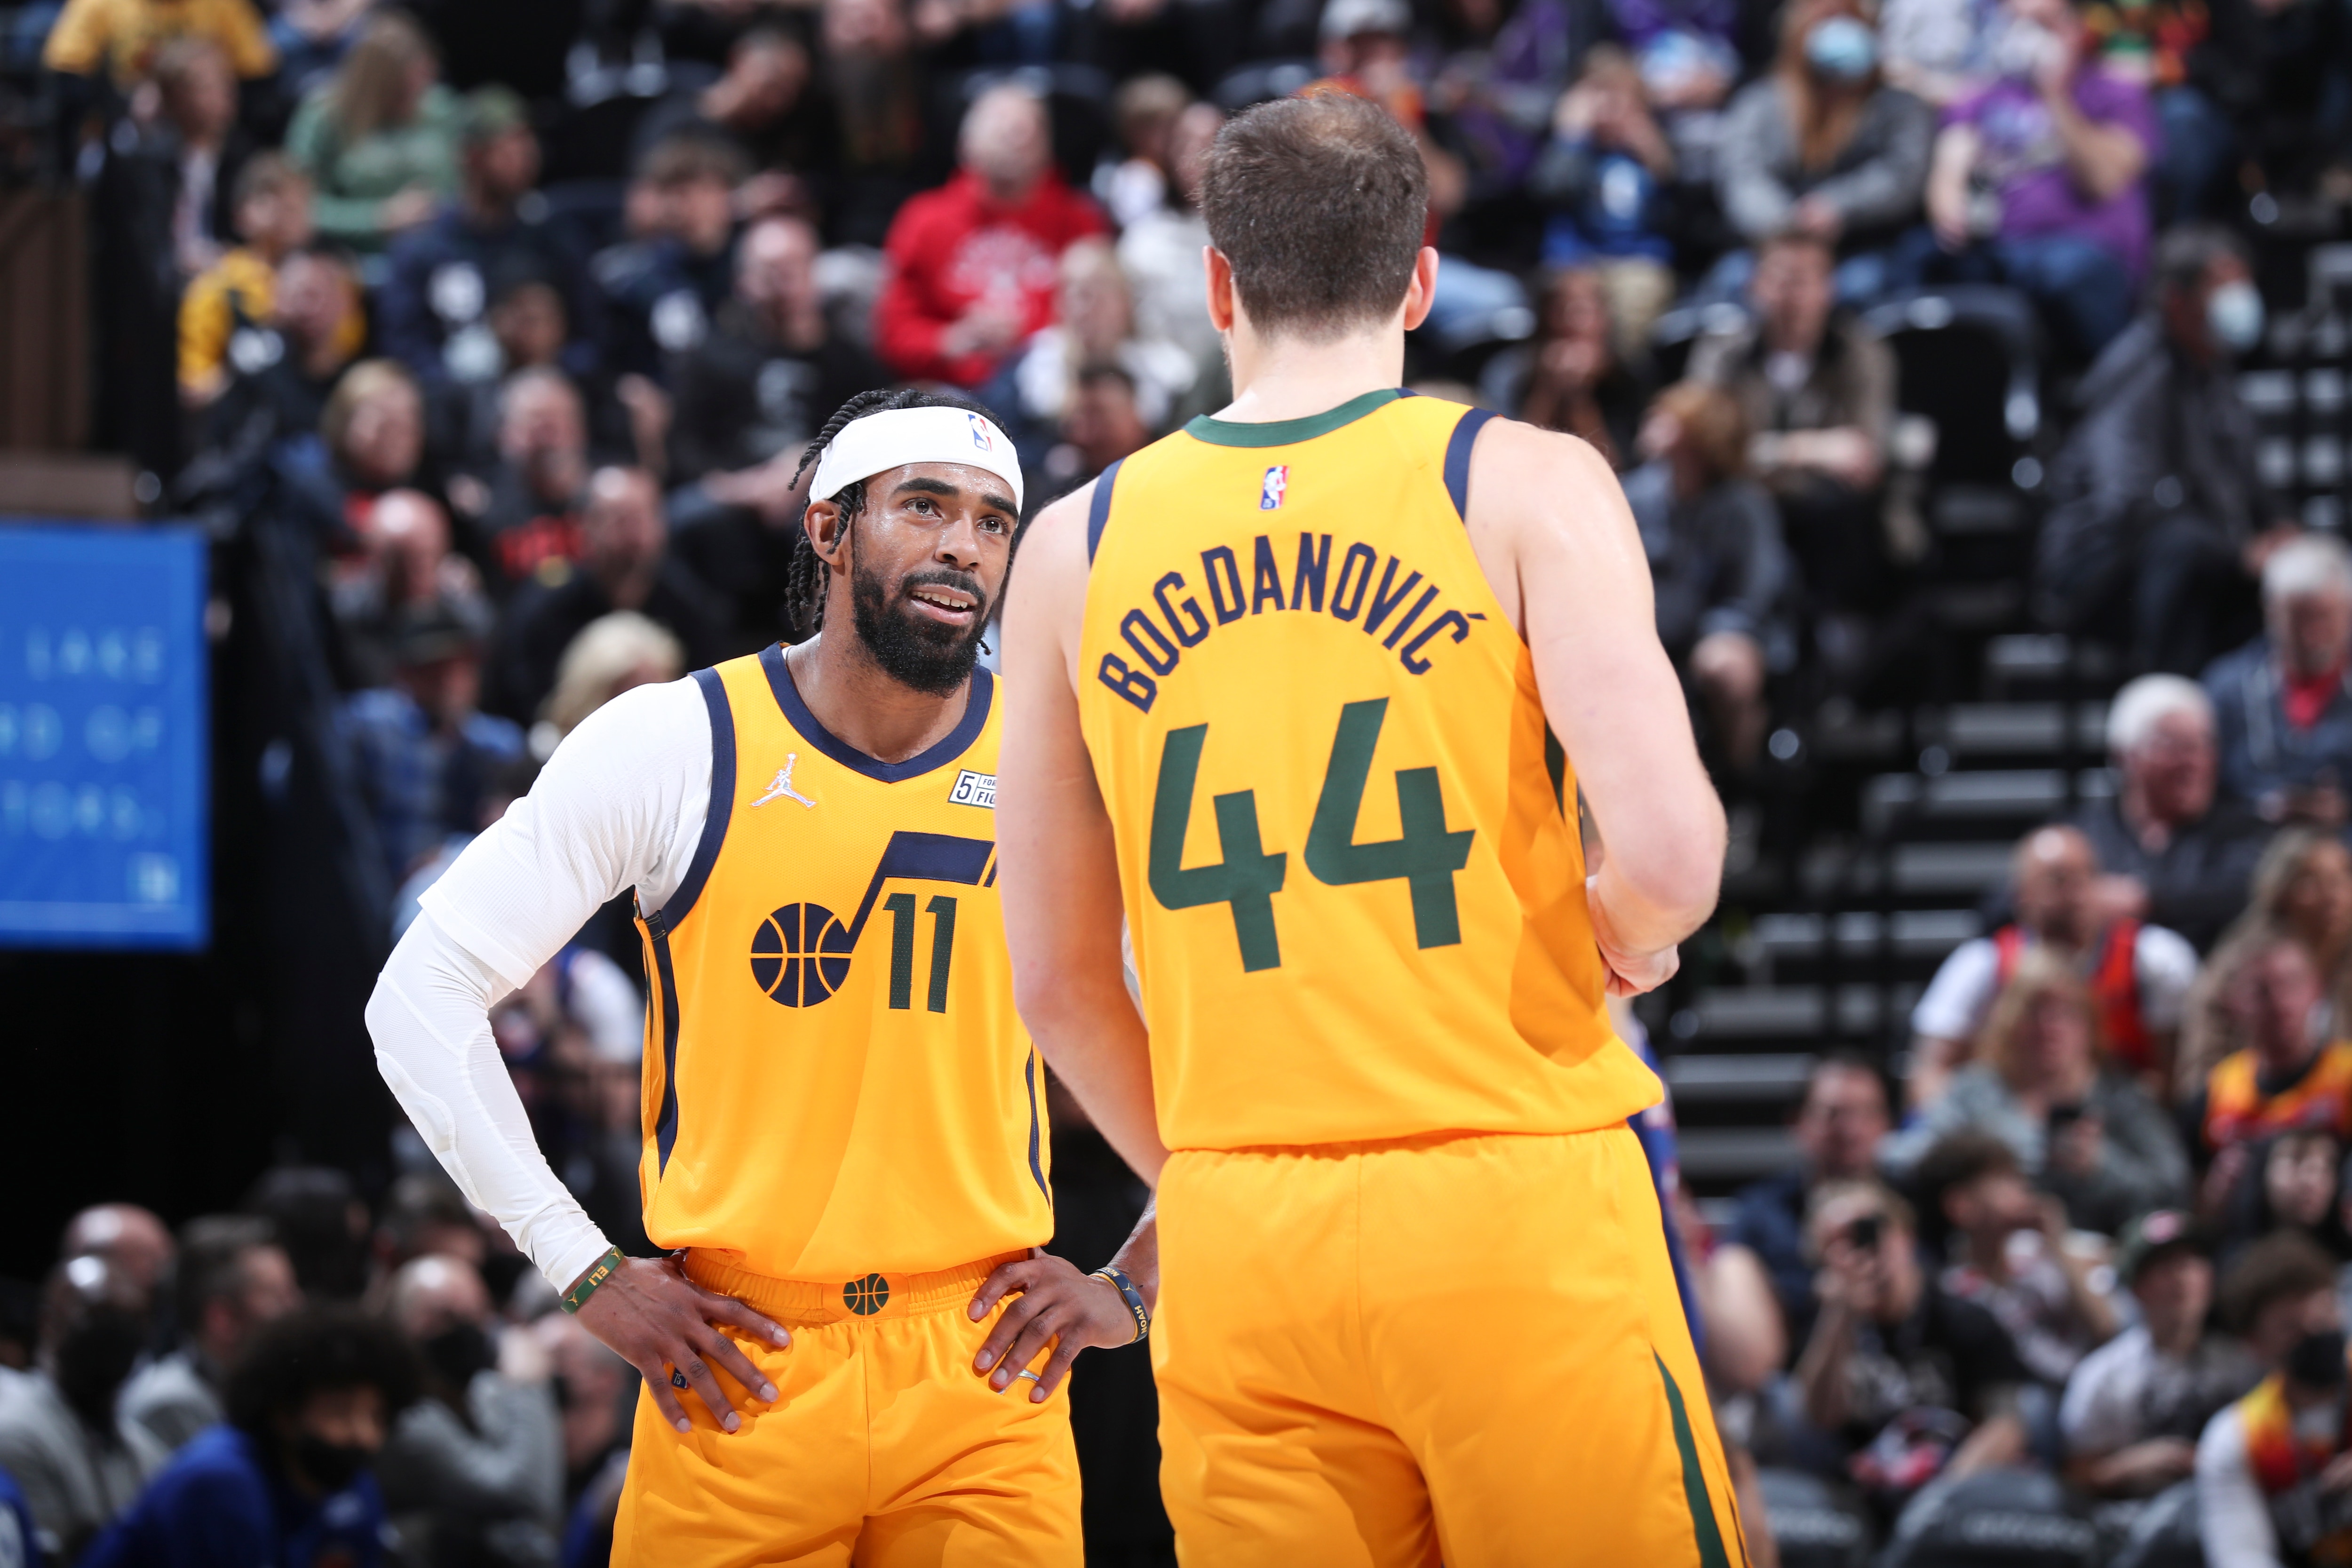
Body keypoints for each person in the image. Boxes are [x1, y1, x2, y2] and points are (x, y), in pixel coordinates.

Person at [997, 91, 1744, 1560]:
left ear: (1217, 281)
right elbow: (1670, 858)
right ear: (1416, 276)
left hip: (1238, 1234)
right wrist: (1610, 931)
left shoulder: (1071, 547)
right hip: (1504, 1195)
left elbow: (1055, 987)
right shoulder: (1521, 480)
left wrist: (1209, 1174)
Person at [366, 385, 1160, 1561]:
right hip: (741, 1368)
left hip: (984, 1373)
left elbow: (1241, 1022)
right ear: (829, 529)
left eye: (994, 521)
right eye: (925, 506)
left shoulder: (1072, 756)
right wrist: (587, 1273)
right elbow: (415, 998)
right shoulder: (673, 742)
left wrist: (1140, 1278)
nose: (962, 544)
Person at [2038, 226, 2292, 675]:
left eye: (2243, 283)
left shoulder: (2215, 374)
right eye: (2222, 286)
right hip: (2099, 570)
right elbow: (2128, 501)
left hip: (2199, 556)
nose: (2240, 298)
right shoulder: (2135, 372)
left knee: (2297, 568)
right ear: (2177, 300)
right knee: (2185, 546)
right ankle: (2170, 691)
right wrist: (2236, 552)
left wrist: (2280, 533)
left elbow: (2251, 487)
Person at [1689, 229, 1908, 647]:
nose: (1791, 294)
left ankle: (1832, 650)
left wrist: (1759, 452)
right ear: (1754, 285)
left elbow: (1866, 455)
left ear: (1829, 288)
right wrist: (1808, 449)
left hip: (1835, 520)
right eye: (1779, 278)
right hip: (1745, 507)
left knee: (1834, 510)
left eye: (1804, 279)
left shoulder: (1863, 353)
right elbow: (1705, 441)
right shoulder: (1722, 352)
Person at [1911, 0, 2158, 360]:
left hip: (2084, 258)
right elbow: (1948, 167)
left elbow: (2102, 179)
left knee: (2066, 270)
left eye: (2041, 26)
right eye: (2018, 25)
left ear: (2074, 27)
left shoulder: (2114, 92)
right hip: (1997, 254)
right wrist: (1949, 203)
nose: (2027, 38)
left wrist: (2054, 95)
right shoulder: (1986, 96)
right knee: (1910, 260)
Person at [79, 1307, 420, 1568]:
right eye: (340, 1413)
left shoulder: (356, 1489)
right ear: (285, 1413)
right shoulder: (220, 1485)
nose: (364, 1434)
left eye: (377, 1416)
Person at [1884, 946, 2191, 1233]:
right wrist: (1978, 1179)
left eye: (2064, 1013)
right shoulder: (1976, 1091)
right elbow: (1905, 1158)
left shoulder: (2121, 1097)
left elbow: (2172, 1189)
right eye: (2035, 1011)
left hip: (2104, 1255)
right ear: (2009, 1022)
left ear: (2089, 1025)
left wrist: (2103, 1166)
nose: (2049, 1027)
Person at [1908, 824, 2199, 1105]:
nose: (2075, 893)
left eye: (2085, 876)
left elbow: (2177, 1078)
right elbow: (1928, 1075)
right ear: (2021, 895)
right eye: (2058, 880)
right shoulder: (1982, 964)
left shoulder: (2156, 960)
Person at [1784, 1180, 2031, 1507]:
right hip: (1863, 1496)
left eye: (1869, 1230)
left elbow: (2006, 1425)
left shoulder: (1965, 1316)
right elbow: (1819, 1419)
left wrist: (1944, 1494)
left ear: (1905, 1235)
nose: (1862, 1250)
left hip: (1955, 1489)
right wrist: (1839, 1316)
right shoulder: (1825, 1326)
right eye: (1838, 1243)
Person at [874, 84, 1108, 387]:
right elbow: (894, 332)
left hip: (1053, 389)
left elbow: (1104, 320)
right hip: (948, 391)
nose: (1017, 135)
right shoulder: (923, 220)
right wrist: (952, 340)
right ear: (965, 144)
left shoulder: (1080, 221)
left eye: (1029, 127)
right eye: (1001, 124)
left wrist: (1027, 338)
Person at [1620, 380, 1790, 773]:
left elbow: (1752, 593)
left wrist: (1708, 632)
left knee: (1723, 667)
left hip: (1720, 628)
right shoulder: (1634, 494)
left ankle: (1739, 777)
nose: (1653, 422)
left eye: (1669, 419)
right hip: (1648, 628)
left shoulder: (1743, 504)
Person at [1714, 0, 1936, 297]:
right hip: (1773, 248)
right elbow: (1742, 177)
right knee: (1733, 280)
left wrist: (1837, 207)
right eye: (1827, 20)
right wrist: (1787, 223)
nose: (1839, 30)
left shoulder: (1899, 107)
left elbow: (1901, 176)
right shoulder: (1759, 103)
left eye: (1848, 19)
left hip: (1864, 246)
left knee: (1862, 286)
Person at [378, 87, 594, 391]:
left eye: (528, 141)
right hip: (454, 407)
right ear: (473, 156)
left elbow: (590, 337)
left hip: (546, 396)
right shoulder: (423, 247)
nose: (527, 156)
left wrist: (552, 378)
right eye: (510, 145)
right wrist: (465, 397)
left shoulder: (554, 236)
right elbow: (406, 348)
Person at [483, 466, 731, 724]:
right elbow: (526, 700)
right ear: (585, 527)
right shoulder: (544, 610)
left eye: (643, 519)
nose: (633, 537)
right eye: (620, 521)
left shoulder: (691, 608)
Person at [2060, 673, 2272, 953]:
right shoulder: (2084, 833)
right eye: (2175, 746)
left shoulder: (2244, 830)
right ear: (2126, 755)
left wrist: (2149, 900)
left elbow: (2252, 891)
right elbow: (2012, 900)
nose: (2194, 761)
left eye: (2202, 745)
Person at [375, 1256, 563, 1565]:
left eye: (475, 1315)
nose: (464, 1329)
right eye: (443, 1316)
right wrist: (527, 1384)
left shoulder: (482, 1394)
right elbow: (527, 1492)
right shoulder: (407, 1419)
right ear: (400, 1327)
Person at [2061, 1210, 2258, 1502]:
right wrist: (2130, 1465)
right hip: (2131, 1516)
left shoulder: (2242, 1364)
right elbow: (2073, 1478)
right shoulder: (2103, 1376)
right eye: (2165, 1267)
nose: (2182, 1277)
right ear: (2137, 1287)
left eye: (2192, 1263)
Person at [343, 597, 528, 889]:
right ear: (406, 674)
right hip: (383, 886)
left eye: (461, 666)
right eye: (436, 668)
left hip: (471, 881)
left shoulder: (500, 743)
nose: (450, 680)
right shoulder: (370, 725)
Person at [1915, 1130, 2122, 1388]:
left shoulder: (2037, 1247)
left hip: (2092, 1382)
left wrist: (2058, 1244)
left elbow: (2106, 1327)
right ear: (1961, 1206)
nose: (2023, 1189)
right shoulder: (1954, 1290)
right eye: (2005, 1180)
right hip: (2033, 1399)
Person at [2195, 1233, 2352, 1568]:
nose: (2317, 1334)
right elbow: (2242, 1556)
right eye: (2292, 1328)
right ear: (2256, 1345)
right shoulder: (2235, 1437)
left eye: (2325, 1316)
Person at [0, 1257, 167, 1561]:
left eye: (131, 1319)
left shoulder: (147, 1449)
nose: (115, 1334)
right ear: (49, 1323)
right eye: (97, 1315)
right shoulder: (13, 1433)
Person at [1726, 1052, 1893, 1353]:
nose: (1850, 1131)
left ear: (1887, 1123)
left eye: (1866, 1113)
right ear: (1798, 1122)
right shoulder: (1762, 1213)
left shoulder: (1919, 1200)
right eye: (1833, 1115)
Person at [1527, 44, 1680, 348]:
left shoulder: (1652, 152)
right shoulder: (1572, 149)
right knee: (1567, 302)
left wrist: (1657, 159)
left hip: (1636, 263)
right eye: (1599, 97)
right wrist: (1569, 137)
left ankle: (1617, 376)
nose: (1610, 110)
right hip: (1575, 261)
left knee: (1637, 296)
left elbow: (1680, 219)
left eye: (1621, 98)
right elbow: (1546, 190)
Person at [2185, 831, 2352, 1093]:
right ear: (2280, 892)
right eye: (2311, 880)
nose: (2332, 893)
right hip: (2255, 1111)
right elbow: (2205, 1066)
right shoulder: (2244, 963)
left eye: (2342, 877)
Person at [283, 10, 462, 254]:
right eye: (404, 90)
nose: (418, 97)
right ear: (376, 84)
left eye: (424, 82)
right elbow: (297, 207)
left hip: (442, 254)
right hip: (354, 261)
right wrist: (380, 218)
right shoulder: (323, 118)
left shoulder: (441, 109)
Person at [119, 1218, 302, 1453]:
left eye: (294, 1291)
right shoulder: (169, 1405)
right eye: (280, 1297)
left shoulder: (271, 1393)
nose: (298, 1308)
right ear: (223, 1319)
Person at [2206, 534, 2352, 825]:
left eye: (2324, 618)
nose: (2312, 635)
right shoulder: (2226, 688)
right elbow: (2204, 793)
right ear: (2270, 611)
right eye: (2298, 619)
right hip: (2249, 850)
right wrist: (2261, 809)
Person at [179, 153, 333, 407]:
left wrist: (310, 334)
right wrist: (260, 360)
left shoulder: (330, 282)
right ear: (240, 215)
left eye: (300, 201)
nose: (288, 209)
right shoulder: (217, 287)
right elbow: (193, 388)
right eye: (271, 197)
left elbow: (343, 360)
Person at [2190, 931, 2352, 1162]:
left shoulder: (2346, 1077)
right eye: (2261, 991)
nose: (2280, 1003)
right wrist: (2212, 1194)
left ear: (2317, 988)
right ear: (2231, 1002)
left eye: (2291, 983)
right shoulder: (2216, 1095)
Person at [1485, 265, 1648, 467]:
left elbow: (1616, 469)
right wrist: (1548, 389)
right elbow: (1513, 457)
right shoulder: (1511, 371)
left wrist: (1579, 397)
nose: (1571, 321)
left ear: (1605, 318)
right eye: (1560, 310)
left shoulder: (1628, 374)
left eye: (1583, 311)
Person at [39, 0, 276, 90]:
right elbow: (66, 66)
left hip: (204, 129)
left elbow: (257, 70)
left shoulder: (224, 5)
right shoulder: (99, 4)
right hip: (120, 128)